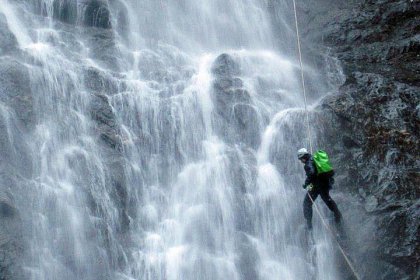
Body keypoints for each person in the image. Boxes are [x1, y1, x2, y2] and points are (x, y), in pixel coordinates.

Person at [297, 148, 342, 230]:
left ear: (303, 157)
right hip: (325, 183)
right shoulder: (314, 158)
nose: (301, 161)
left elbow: (312, 173)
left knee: (307, 203)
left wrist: (306, 183)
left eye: (300, 159)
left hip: (317, 185)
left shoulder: (308, 164)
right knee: (327, 199)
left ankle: (309, 225)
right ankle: (337, 215)